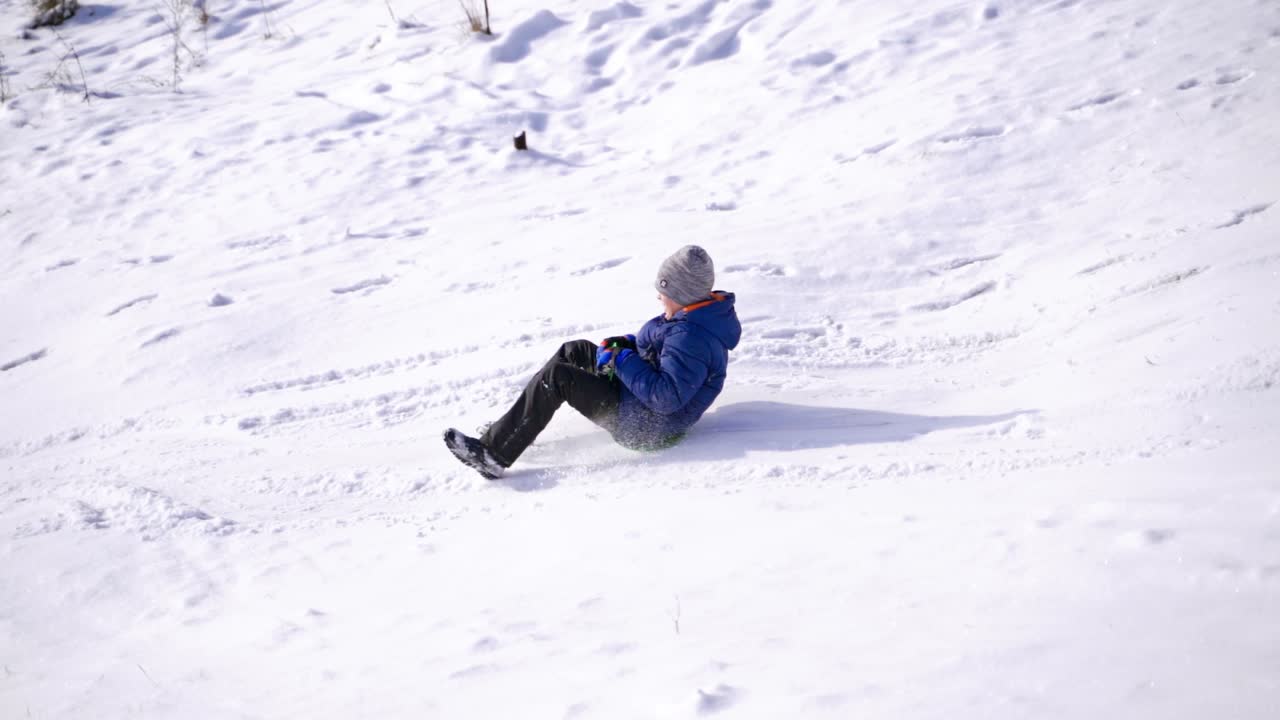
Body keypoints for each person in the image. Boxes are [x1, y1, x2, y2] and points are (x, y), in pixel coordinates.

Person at [444, 245, 742, 479]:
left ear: (682, 294)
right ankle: (510, 431)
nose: (658, 298)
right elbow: (658, 348)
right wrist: (622, 345)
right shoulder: (692, 317)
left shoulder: (691, 337)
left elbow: (666, 398)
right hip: (637, 401)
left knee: (559, 377)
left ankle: (493, 455)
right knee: (574, 351)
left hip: (647, 426)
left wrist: (623, 360)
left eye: (663, 292)